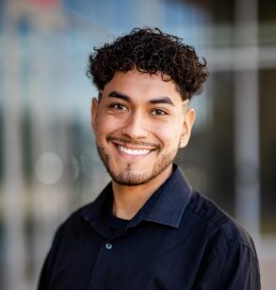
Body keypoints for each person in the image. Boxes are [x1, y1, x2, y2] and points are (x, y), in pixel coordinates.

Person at [37, 28, 261, 290]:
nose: (133, 130)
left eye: (158, 111)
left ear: (185, 129)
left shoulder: (222, 247)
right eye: (119, 106)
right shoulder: (70, 233)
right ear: (95, 115)